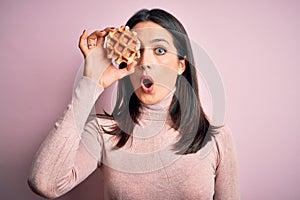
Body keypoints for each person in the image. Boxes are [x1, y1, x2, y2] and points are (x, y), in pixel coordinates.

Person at [28, 8, 240, 200]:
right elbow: (45, 184)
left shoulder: (216, 136)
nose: (145, 62)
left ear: (180, 65)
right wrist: (92, 82)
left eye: (160, 50)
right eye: (137, 51)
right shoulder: (104, 132)